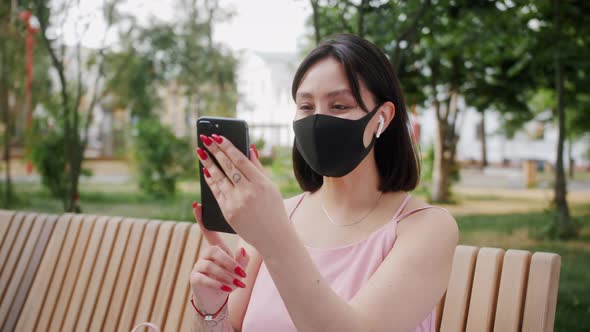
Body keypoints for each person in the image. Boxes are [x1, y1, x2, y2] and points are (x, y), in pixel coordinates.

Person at [190, 33, 458, 332]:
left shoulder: (426, 228)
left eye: (340, 106)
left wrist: (275, 239)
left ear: (382, 117)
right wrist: (211, 308)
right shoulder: (274, 217)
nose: (318, 120)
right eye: (306, 107)